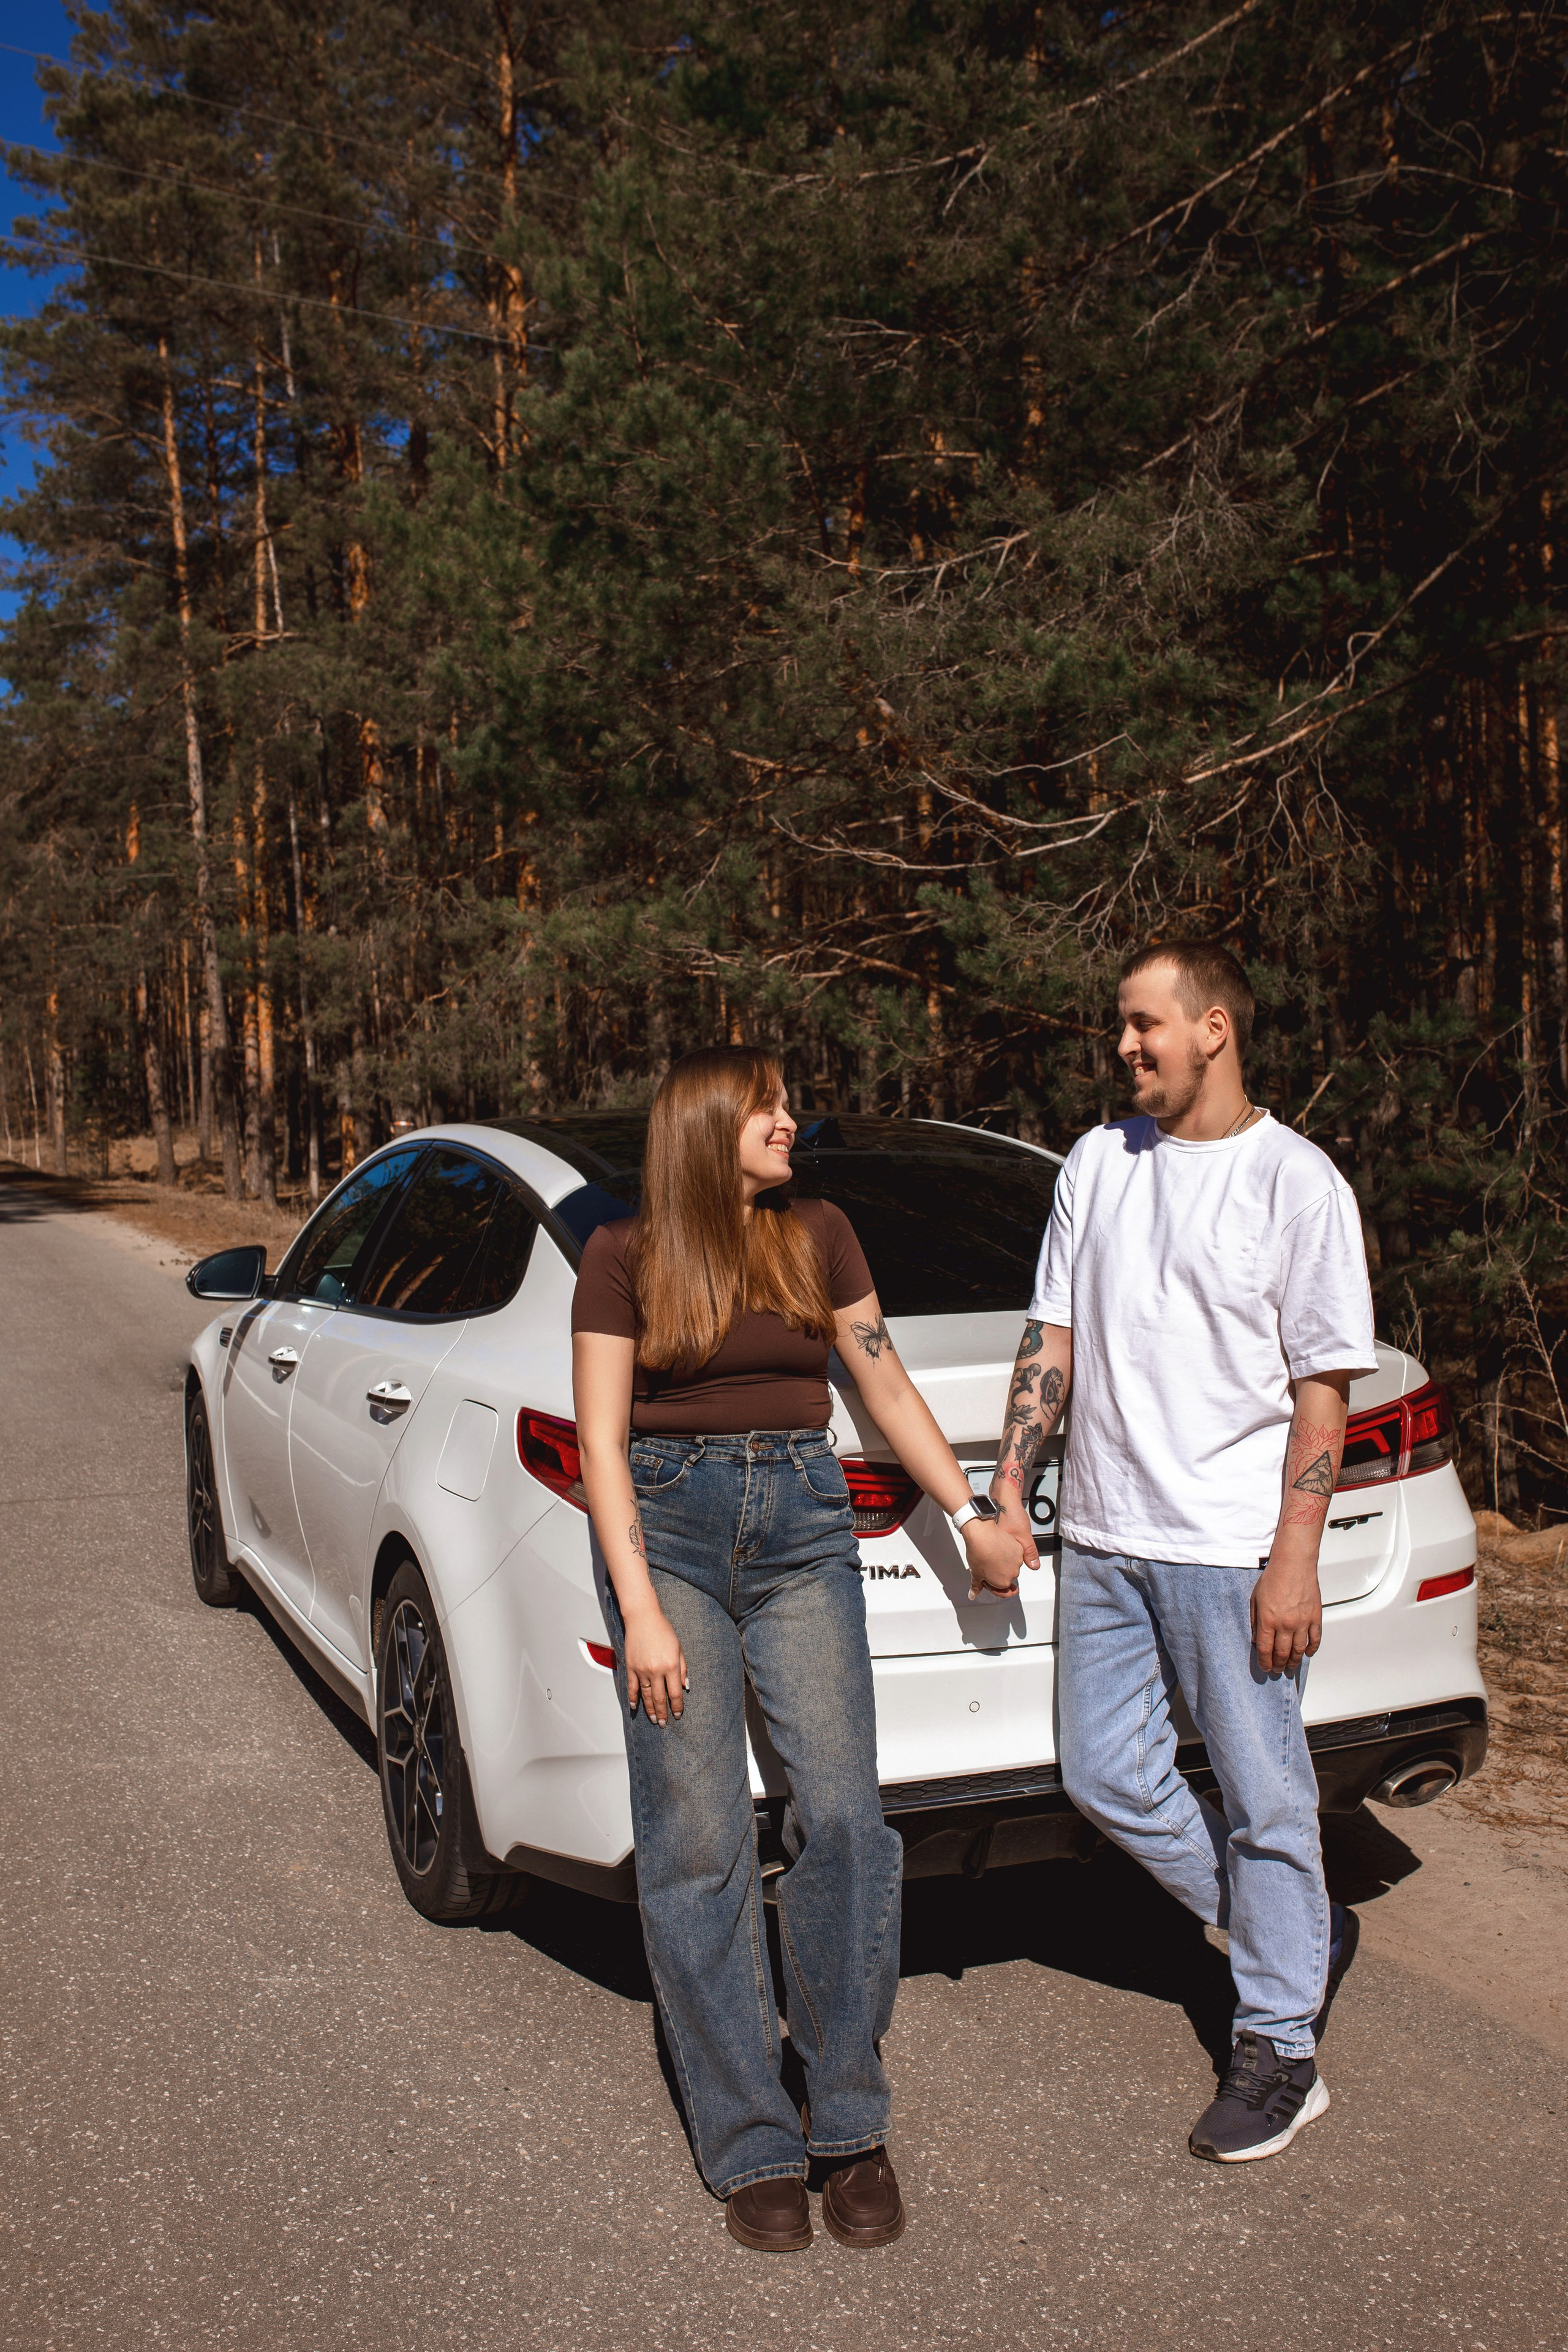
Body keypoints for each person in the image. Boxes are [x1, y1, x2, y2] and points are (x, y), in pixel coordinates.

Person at [572, 1046, 1024, 2250]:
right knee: (699, 1836)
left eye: (784, 1103)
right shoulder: (621, 1258)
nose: (787, 1120)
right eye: (764, 1105)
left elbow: (882, 1387)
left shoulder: (816, 1232)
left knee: (842, 1818)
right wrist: (643, 1611)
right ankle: (749, 2140)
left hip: (802, 1534)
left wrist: (971, 1512)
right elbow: (603, 1443)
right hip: (663, 1539)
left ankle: (846, 2119)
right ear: (706, 1124)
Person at [990, 942, 1375, 2163]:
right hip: (1101, 1535)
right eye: (1118, 1026)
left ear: (1212, 1028)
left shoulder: (1294, 1184)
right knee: (1103, 1774)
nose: (1122, 1046)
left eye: (1142, 1025)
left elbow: (1322, 1399)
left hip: (1225, 1551)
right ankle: (1287, 1929)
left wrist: (1293, 1560)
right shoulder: (1097, 1165)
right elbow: (1051, 1341)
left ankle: (1279, 2046)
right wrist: (1009, 1488)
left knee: (1266, 1797)